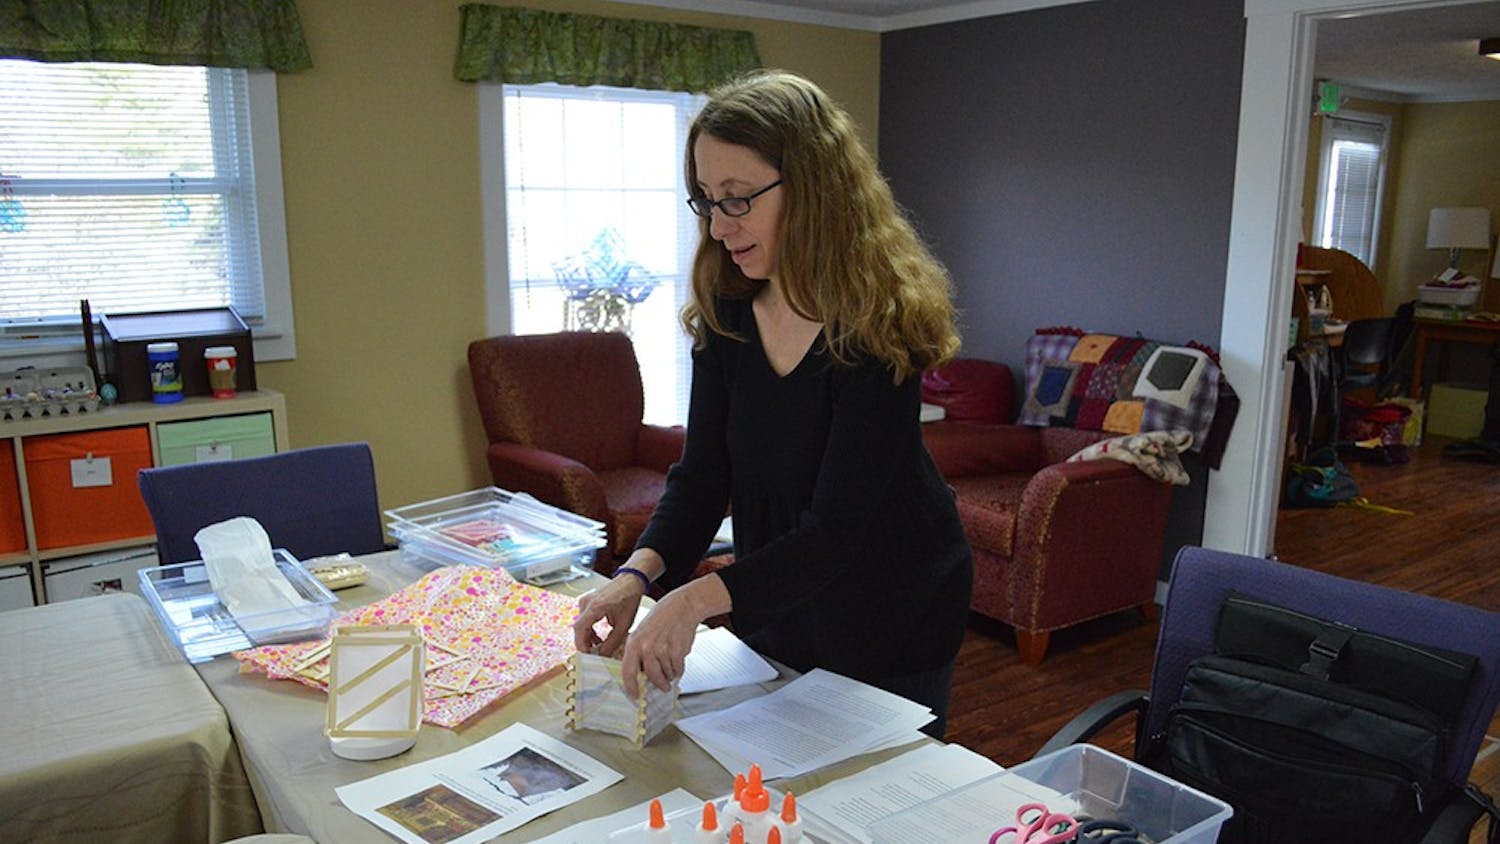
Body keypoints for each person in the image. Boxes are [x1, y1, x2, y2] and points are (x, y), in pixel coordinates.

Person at [572, 69, 973, 738]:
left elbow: (834, 532)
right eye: (705, 200)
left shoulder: (878, 324)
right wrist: (638, 575)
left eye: (738, 198)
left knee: (868, 798)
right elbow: (702, 480)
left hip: (894, 607)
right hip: (781, 593)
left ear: (813, 187)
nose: (720, 225)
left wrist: (695, 599)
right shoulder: (729, 311)